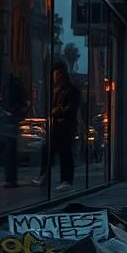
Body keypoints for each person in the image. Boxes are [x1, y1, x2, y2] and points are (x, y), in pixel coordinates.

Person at [33, 62, 80, 190]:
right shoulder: (57, 90)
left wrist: (59, 111)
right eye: (55, 74)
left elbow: (71, 108)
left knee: (65, 152)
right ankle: (45, 176)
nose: (56, 77)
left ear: (62, 74)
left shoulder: (71, 90)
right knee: (47, 150)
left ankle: (66, 180)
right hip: (57, 126)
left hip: (66, 126)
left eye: (58, 74)